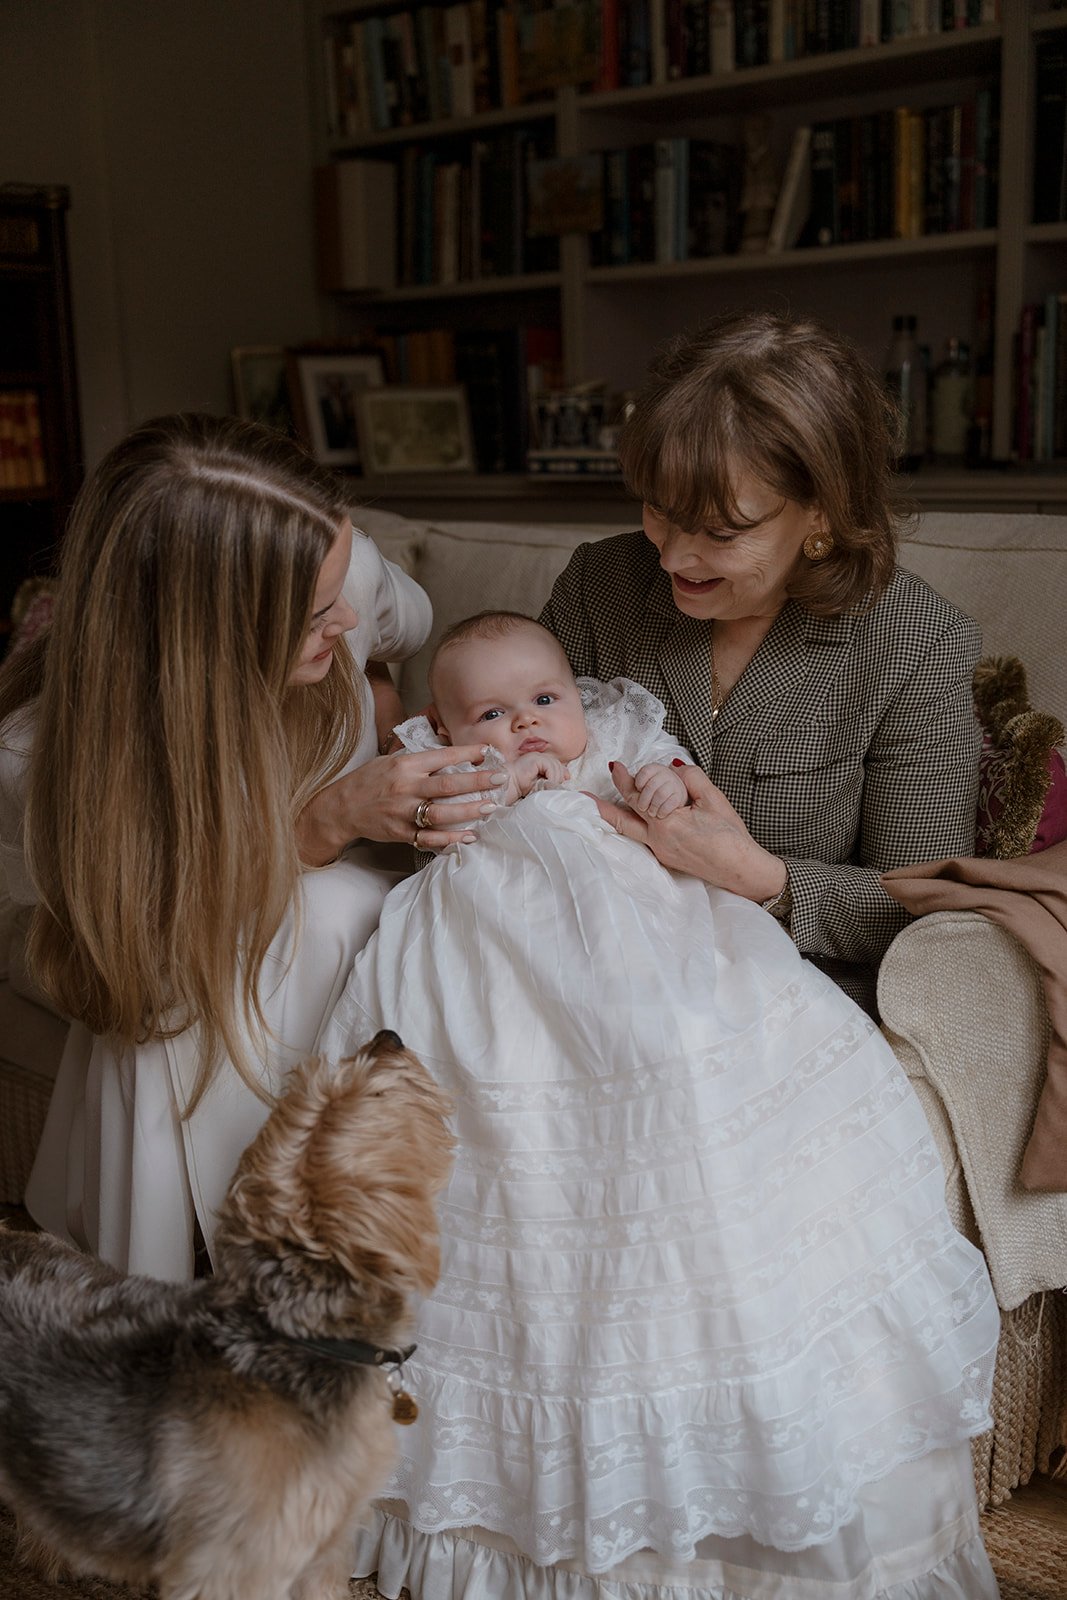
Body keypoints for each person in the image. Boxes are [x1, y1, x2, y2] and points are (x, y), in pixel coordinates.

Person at [318, 610, 1001, 1599]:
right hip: (495, 952)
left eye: (543, 702)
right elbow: (422, 820)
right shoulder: (450, 759)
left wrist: (656, 788)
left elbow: (669, 786)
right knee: (474, 1072)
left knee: (686, 1040)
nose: (526, 727)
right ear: (443, 722)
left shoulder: (618, 736)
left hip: (643, 933)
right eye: (493, 713)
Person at [0, 412, 504, 1282]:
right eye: (314, 614)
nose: (344, 618)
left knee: (338, 906)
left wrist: (379, 705)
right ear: (201, 631)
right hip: (145, 959)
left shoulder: (345, 582)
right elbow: (136, 974)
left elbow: (409, 630)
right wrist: (320, 821)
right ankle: (210, 1277)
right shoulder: (44, 757)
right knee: (230, 975)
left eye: (345, 583)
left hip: (310, 921)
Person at [540, 308, 983, 1020]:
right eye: (659, 510)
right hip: (581, 965)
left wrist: (765, 880)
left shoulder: (913, 643)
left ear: (822, 515)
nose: (671, 557)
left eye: (719, 531)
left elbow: (927, 913)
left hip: (784, 1002)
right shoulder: (600, 587)